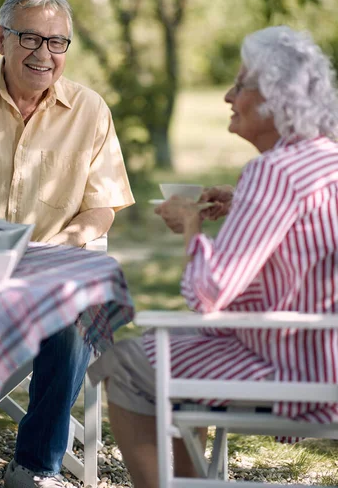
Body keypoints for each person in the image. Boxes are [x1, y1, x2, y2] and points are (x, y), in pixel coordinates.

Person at [88, 25, 338, 488]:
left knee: (124, 364)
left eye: (241, 85)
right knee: (169, 355)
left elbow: (207, 293)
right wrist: (242, 200)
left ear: (275, 99)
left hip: (290, 369)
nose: (227, 95)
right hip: (325, 355)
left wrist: (191, 226)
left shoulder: (273, 172)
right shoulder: (326, 159)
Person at [0, 0, 134, 488]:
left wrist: (69, 242)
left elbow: (101, 205)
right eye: (30, 38)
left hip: (50, 269)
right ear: (1, 39)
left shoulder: (90, 110)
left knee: (76, 323)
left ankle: (35, 466)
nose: (44, 53)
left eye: (58, 42)